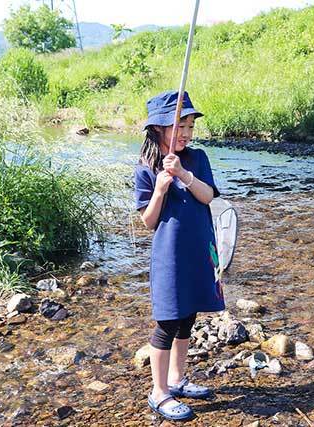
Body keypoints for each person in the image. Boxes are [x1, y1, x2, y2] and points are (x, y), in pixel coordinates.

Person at [133, 90, 225, 421]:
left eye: (189, 125)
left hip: (199, 248)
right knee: (168, 320)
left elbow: (206, 197)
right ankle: (158, 392)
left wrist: (185, 176)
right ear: (158, 128)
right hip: (169, 256)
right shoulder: (146, 167)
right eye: (179, 125)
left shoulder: (197, 159)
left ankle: (177, 379)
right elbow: (148, 221)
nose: (186, 133)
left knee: (188, 317)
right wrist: (159, 188)